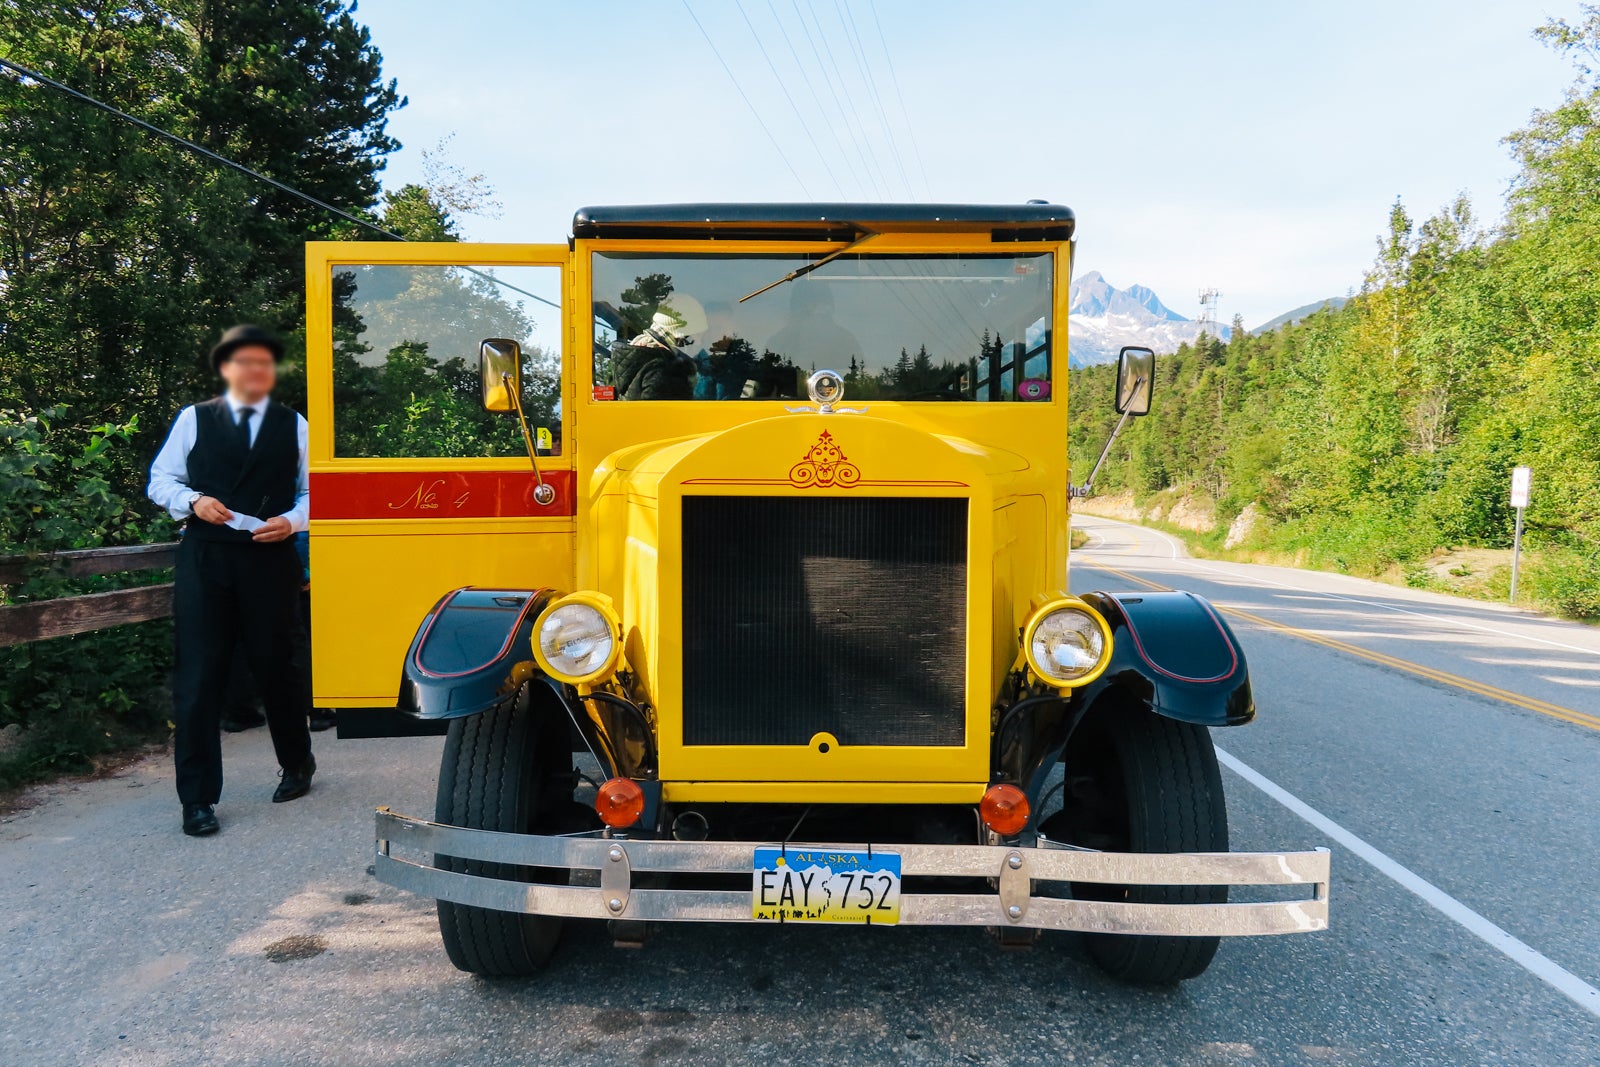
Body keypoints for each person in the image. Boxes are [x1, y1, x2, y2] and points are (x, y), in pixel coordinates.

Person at [147, 324, 315, 837]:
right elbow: (161, 480)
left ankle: (298, 764)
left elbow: (317, 494)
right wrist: (193, 501)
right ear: (227, 370)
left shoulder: (295, 425)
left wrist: (292, 522)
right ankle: (196, 799)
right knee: (198, 677)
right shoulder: (194, 419)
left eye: (263, 363)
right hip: (207, 559)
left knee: (277, 666)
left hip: (270, 558)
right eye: (244, 363)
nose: (254, 371)